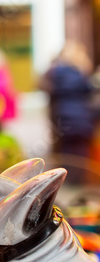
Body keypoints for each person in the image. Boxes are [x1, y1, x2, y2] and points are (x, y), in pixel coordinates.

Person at [41, 41, 97, 185]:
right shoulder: (76, 74)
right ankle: (76, 183)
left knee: (67, 153)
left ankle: (66, 181)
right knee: (79, 156)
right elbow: (87, 92)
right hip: (78, 119)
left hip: (63, 119)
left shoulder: (55, 73)